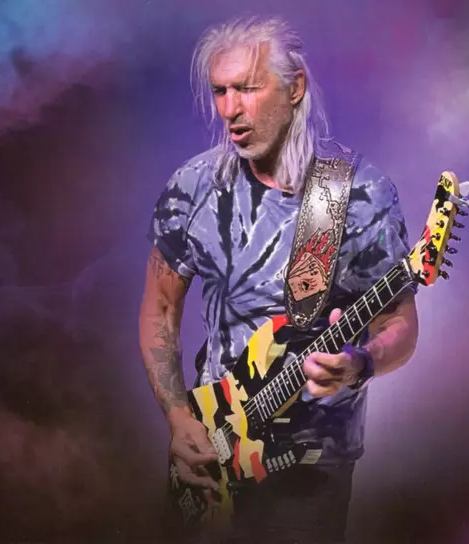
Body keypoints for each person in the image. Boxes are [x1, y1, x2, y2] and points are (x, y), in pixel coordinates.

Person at [139, 16, 419, 544]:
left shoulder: (357, 192)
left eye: (246, 88)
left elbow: (399, 323)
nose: (229, 109)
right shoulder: (193, 187)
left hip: (311, 466)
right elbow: (160, 308)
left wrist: (360, 364)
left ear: (295, 88)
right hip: (213, 447)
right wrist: (178, 417)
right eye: (220, 91)